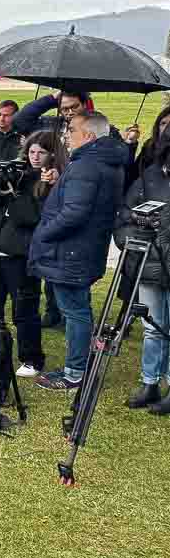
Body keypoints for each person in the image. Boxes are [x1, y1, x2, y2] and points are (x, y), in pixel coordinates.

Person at [29, 113, 124, 391]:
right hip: (85, 249)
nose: (66, 136)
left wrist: (43, 234)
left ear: (89, 136)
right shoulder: (106, 161)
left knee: (75, 312)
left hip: (70, 251)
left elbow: (74, 213)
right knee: (77, 309)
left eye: (71, 131)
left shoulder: (87, 165)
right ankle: (79, 367)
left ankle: (75, 372)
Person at [0, 131, 51, 379]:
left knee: (24, 308)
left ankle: (31, 358)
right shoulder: (19, 174)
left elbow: (29, 216)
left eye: (41, 152)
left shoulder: (50, 181)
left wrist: (13, 192)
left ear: (51, 154)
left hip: (21, 254)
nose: (35, 157)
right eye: (31, 152)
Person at [117, 126, 170, 414]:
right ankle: (150, 382)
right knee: (152, 327)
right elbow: (126, 214)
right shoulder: (149, 177)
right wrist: (137, 230)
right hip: (150, 263)